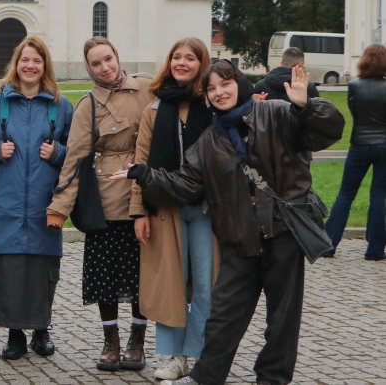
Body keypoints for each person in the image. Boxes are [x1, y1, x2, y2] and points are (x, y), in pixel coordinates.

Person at [111, 61, 344, 385]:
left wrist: (307, 107)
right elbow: (184, 184)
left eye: (225, 84)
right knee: (223, 317)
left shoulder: (276, 113)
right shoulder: (208, 142)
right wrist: (144, 173)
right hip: (239, 240)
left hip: (283, 232)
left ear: (239, 84)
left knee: (282, 319)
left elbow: (327, 133)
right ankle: (205, 377)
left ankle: (272, 379)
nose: (219, 92)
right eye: (212, 88)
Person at [46, 36, 153, 372]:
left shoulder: (148, 89)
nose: (105, 67)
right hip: (106, 201)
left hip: (145, 195)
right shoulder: (88, 105)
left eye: (109, 59)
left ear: (118, 57)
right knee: (104, 276)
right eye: (96, 63)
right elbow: (75, 160)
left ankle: (138, 340)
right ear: (89, 68)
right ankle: (111, 341)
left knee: (142, 276)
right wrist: (59, 208)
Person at [0, 35, 72, 361]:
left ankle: (41, 331)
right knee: (9, 266)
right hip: (7, 200)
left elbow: (80, 151)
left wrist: (57, 153)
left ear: (45, 66)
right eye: (25, 60)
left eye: (36, 61)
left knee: (41, 266)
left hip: (45, 200)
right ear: (17, 63)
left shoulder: (60, 105)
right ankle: (14, 333)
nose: (30, 66)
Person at [129, 37, 218, 381]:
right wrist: (139, 211)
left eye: (190, 58)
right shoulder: (154, 108)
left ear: (201, 64)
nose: (182, 62)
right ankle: (171, 356)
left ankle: (194, 353)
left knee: (206, 285)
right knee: (171, 284)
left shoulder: (211, 106)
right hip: (165, 209)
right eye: (176, 57)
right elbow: (140, 162)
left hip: (206, 210)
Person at [324, 44, 386, 260]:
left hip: (359, 143)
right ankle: (375, 250)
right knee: (379, 195)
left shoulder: (354, 86)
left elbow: (354, 110)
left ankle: (329, 244)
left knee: (346, 193)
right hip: (384, 144)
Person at [253, 47, 320, 101]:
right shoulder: (308, 87)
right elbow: (317, 113)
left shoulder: (260, 85)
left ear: (282, 63)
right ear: (301, 64)